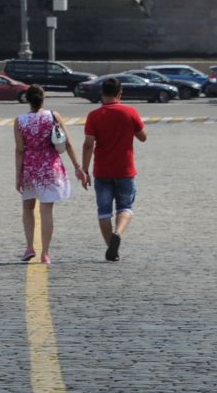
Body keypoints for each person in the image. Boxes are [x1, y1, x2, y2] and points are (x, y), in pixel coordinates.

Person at [12, 84, 84, 265]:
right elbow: (66, 143)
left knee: (28, 208)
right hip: (49, 167)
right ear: (43, 98)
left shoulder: (19, 121)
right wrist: (77, 166)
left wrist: (18, 175)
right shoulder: (53, 116)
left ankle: (29, 247)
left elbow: (20, 150)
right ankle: (45, 253)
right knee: (46, 211)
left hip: (29, 167)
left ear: (27, 100)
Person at [81, 76, 148, 262]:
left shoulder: (93, 116)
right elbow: (143, 137)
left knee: (103, 212)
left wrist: (84, 170)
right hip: (125, 170)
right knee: (125, 207)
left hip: (102, 171)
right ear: (120, 94)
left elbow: (88, 145)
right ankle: (117, 234)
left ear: (102, 94)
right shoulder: (130, 112)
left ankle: (111, 246)